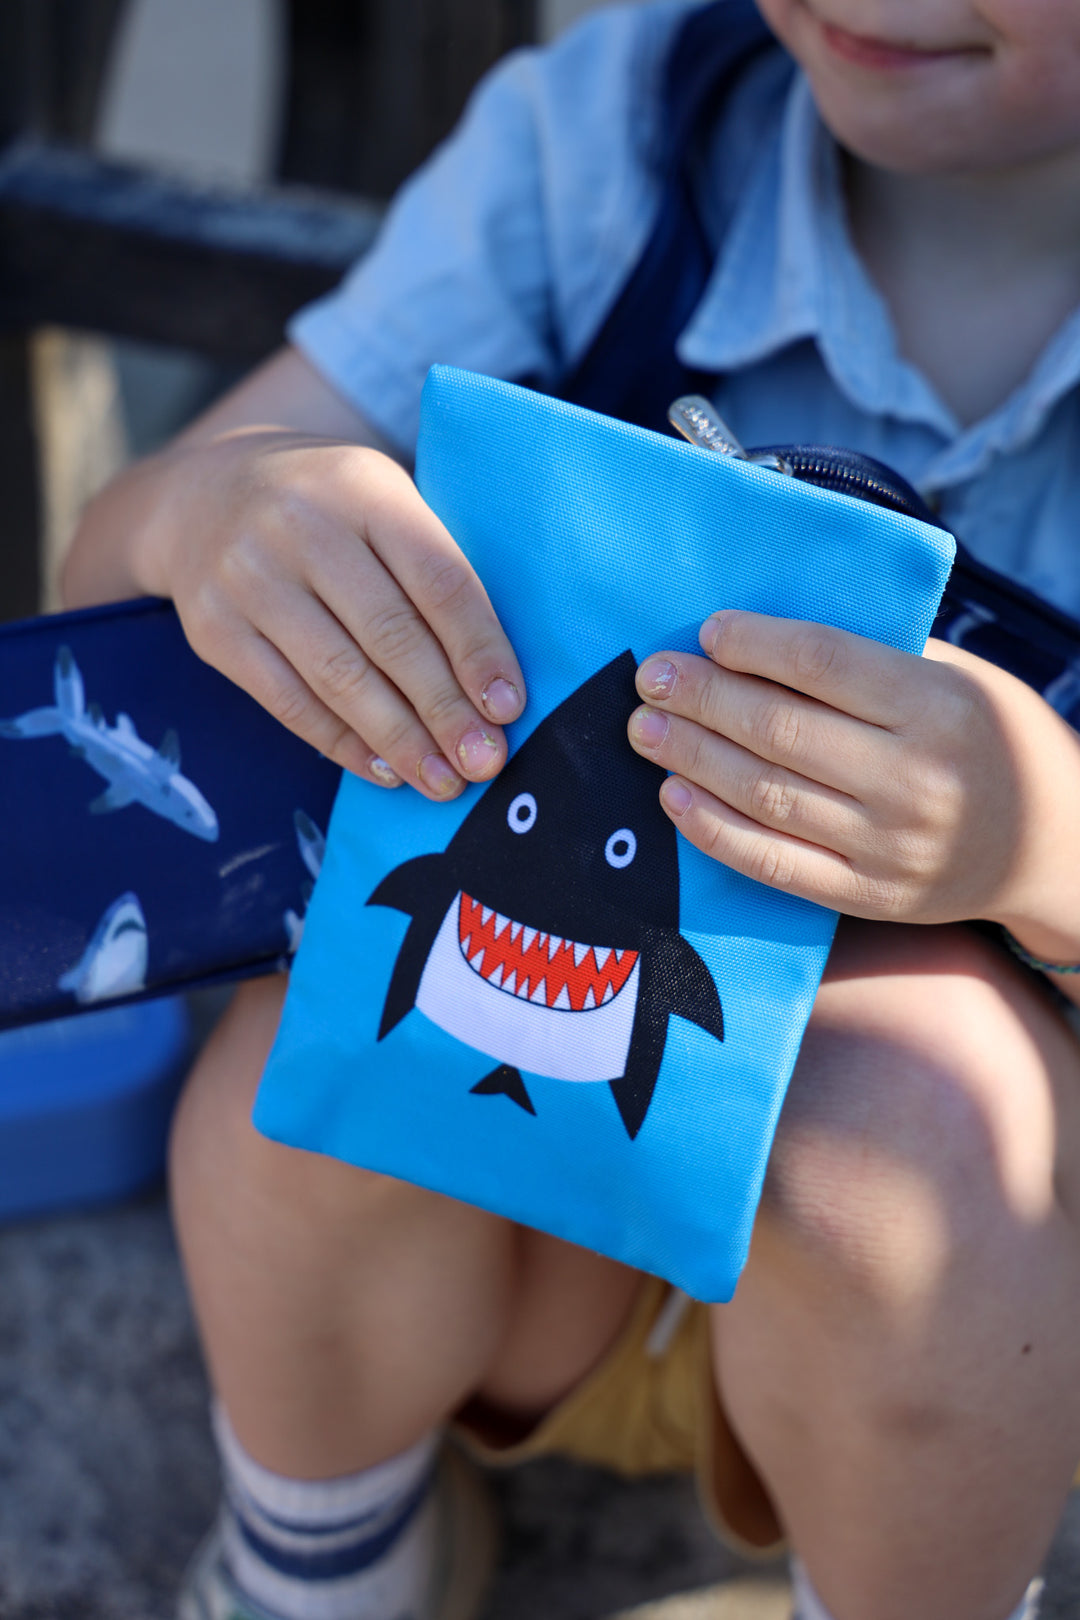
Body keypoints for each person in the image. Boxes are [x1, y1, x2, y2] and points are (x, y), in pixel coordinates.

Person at [62, 2, 1080, 1618]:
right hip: (514, 1255)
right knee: (310, 1042)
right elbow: (108, 566)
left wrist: (1042, 846)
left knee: (926, 1110)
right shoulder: (616, 133)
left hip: (975, 1317)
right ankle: (319, 1561)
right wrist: (222, 509)